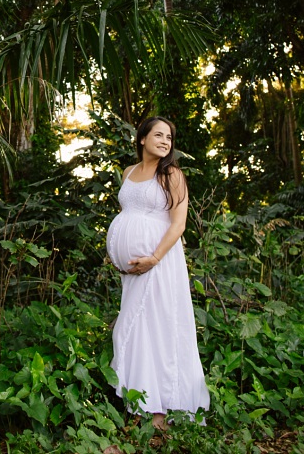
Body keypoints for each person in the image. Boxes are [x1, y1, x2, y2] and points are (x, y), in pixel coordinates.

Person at [105, 116, 209, 428]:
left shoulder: (172, 175)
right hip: (133, 272)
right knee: (134, 327)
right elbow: (127, 215)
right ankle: (139, 400)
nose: (165, 141)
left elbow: (178, 224)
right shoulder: (129, 172)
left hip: (161, 263)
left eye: (169, 138)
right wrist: (116, 251)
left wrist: (153, 257)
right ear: (142, 139)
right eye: (159, 135)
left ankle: (164, 409)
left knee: (160, 327)